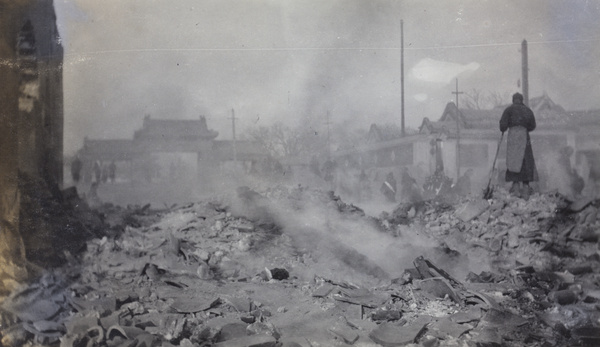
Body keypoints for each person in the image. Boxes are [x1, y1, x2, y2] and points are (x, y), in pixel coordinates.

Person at [499, 92, 538, 200]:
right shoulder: (528, 110)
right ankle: (525, 190)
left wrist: (505, 128)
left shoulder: (508, 110)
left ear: (513, 100)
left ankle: (516, 190)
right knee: (526, 161)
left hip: (513, 138)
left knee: (513, 161)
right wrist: (524, 128)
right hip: (524, 137)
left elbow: (503, 126)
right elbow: (533, 126)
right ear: (522, 100)